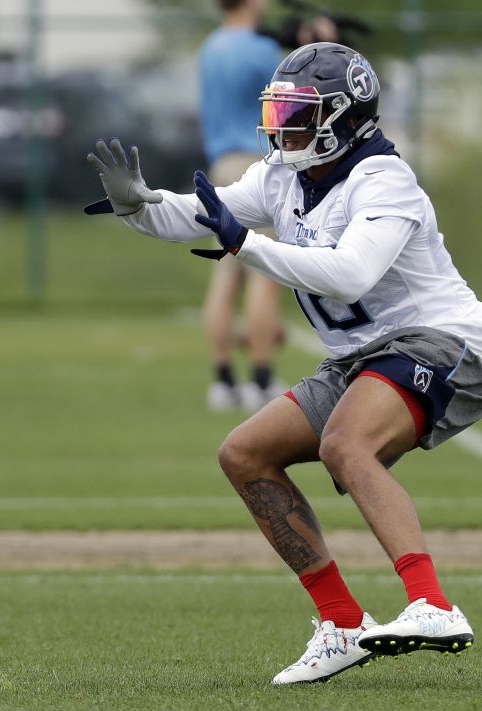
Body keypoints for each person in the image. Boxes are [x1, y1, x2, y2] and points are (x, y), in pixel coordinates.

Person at [85, 42, 482, 684]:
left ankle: (433, 604)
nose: (283, 125)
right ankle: (341, 623)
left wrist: (244, 245)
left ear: (344, 116)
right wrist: (136, 204)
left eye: (299, 112)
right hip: (362, 354)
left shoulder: (382, 179)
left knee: (345, 444)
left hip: (446, 341)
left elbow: (349, 274)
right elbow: (197, 215)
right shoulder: (281, 176)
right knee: (244, 453)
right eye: (279, 109)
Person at [197, 0, 287, 412]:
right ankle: (262, 378)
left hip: (220, 164)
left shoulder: (211, 47)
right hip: (255, 164)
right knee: (263, 272)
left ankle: (223, 380)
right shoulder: (262, 49)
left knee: (227, 273)